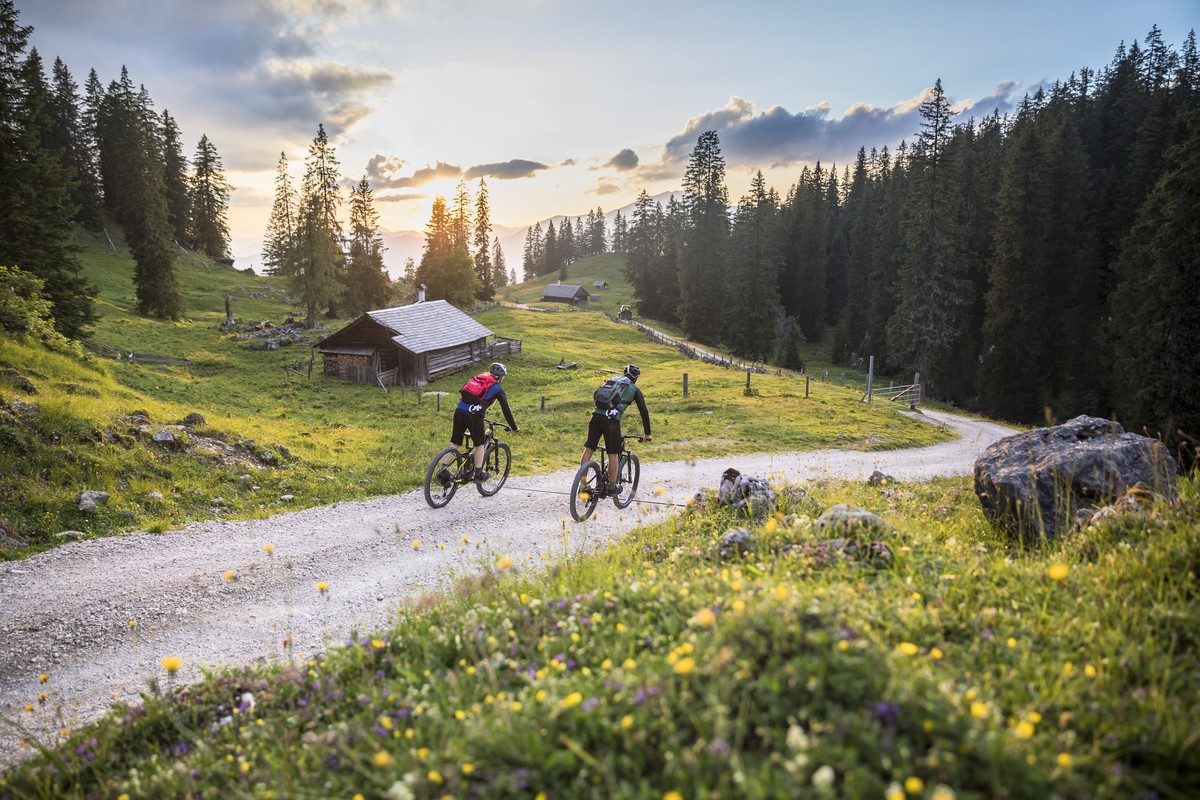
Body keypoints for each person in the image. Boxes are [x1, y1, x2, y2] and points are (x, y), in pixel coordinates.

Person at [581, 364, 651, 494]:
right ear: (636, 378)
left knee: (589, 449)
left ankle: (583, 485)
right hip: (611, 421)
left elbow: (597, 396)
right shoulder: (634, 389)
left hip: (596, 416)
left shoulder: (612, 380)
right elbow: (644, 411)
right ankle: (612, 487)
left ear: (625, 373)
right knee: (612, 453)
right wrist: (647, 434)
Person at [449, 362, 519, 482]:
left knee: (455, 443)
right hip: (474, 415)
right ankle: (478, 475)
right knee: (480, 445)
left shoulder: (478, 378)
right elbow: (506, 410)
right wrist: (514, 427)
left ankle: (443, 469)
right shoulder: (497, 388)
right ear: (501, 377)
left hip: (459, 410)